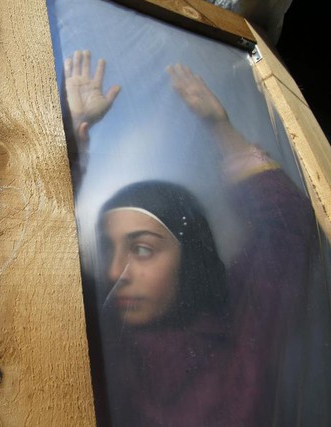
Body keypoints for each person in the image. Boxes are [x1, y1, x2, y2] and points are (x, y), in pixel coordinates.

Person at [64, 50, 319, 426]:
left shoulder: (240, 335)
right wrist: (71, 137)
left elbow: (287, 229)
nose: (118, 270)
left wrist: (221, 128)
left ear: (190, 257)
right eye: (108, 248)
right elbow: (37, 262)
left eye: (143, 249)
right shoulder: (89, 346)